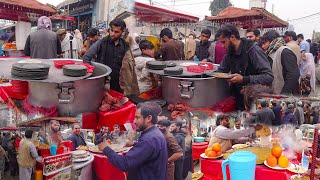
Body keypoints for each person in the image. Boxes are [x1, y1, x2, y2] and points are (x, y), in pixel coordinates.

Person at [98, 102, 168, 180]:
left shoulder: (148, 139)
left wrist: (106, 149)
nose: (134, 121)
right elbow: (149, 150)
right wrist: (135, 144)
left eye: (137, 118)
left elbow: (125, 164)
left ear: (148, 118)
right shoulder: (155, 133)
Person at [215, 24, 274, 110]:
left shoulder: (253, 51)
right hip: (237, 99)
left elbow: (268, 76)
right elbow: (221, 70)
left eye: (224, 42)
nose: (223, 46)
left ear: (232, 37)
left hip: (254, 101)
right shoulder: (230, 53)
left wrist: (244, 79)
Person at [83, 18, 131, 93]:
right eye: (111, 30)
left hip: (118, 83)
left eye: (116, 32)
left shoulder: (125, 46)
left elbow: (128, 66)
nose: (112, 34)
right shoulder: (102, 42)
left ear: (122, 32)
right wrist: (91, 74)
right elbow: (86, 57)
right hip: (102, 82)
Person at [261, 30, 300, 95]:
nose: (263, 46)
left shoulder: (284, 51)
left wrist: (283, 95)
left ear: (272, 40)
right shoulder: (271, 52)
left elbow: (293, 75)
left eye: (264, 43)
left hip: (284, 95)